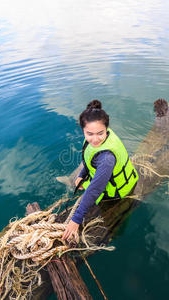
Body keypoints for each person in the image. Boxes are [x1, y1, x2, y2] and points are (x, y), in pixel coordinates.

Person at [62, 99, 138, 243]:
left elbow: (95, 189)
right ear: (83, 130)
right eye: (89, 134)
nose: (95, 139)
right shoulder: (101, 137)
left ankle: (116, 235)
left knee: (115, 228)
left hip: (119, 193)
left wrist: (76, 220)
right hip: (108, 178)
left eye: (100, 133)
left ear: (106, 128)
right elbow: (90, 157)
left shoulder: (107, 159)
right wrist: (81, 174)